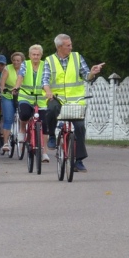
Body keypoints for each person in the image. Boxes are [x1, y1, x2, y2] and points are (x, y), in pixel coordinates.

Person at [42, 34, 104, 172]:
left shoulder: (77, 57)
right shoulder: (49, 60)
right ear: (59, 47)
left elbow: (87, 77)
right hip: (57, 98)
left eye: (71, 44)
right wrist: (48, 91)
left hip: (76, 101)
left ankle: (79, 160)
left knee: (80, 127)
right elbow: (45, 80)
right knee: (51, 110)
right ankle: (52, 135)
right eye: (68, 45)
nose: (71, 47)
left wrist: (92, 73)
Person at [17, 44, 50, 163]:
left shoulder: (45, 64)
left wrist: (48, 92)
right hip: (26, 96)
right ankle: (22, 130)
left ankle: (44, 152)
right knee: (25, 114)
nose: (36, 57)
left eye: (38, 55)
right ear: (29, 55)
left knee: (45, 124)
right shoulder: (25, 64)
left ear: (41, 55)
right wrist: (16, 86)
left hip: (41, 98)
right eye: (33, 54)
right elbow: (21, 76)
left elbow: (47, 78)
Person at [0, 51, 24, 149]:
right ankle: (5, 143)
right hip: (8, 94)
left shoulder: (25, 69)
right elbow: (2, 83)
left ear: (22, 61)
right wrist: (2, 90)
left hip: (22, 94)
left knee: (24, 116)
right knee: (8, 118)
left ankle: (23, 136)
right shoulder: (7, 69)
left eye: (18, 60)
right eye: (14, 60)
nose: (15, 62)